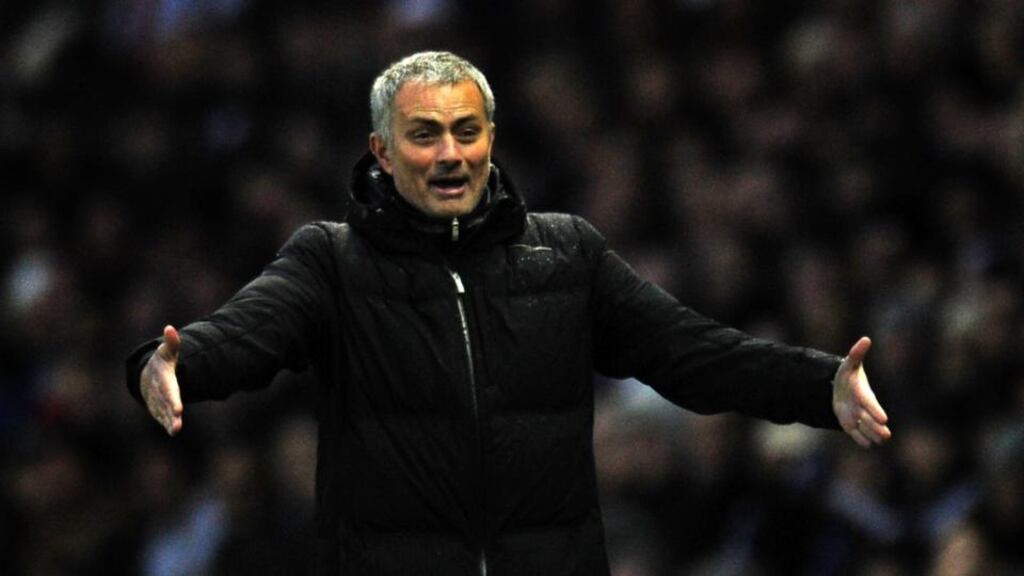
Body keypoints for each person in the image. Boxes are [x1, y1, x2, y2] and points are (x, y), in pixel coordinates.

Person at [126, 50, 891, 575]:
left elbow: (689, 351)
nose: (450, 154)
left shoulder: (567, 254)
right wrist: (176, 361)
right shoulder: (332, 261)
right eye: (424, 135)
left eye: (467, 131)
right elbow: (251, 329)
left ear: (492, 138)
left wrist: (817, 384)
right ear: (382, 153)